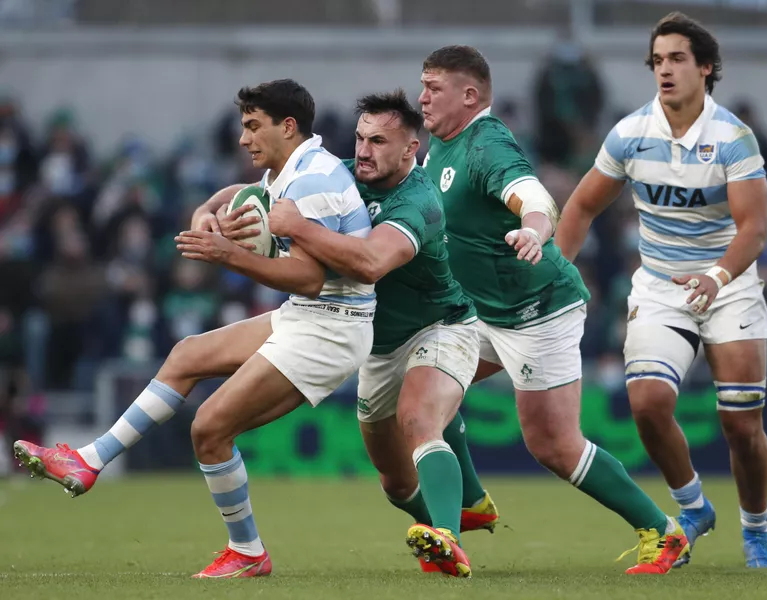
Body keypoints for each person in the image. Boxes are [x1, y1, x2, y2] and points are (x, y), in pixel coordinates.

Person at [14, 79, 377, 578]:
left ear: (288, 127)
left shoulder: (311, 181)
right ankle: (88, 460)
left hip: (331, 328)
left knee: (209, 429)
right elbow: (240, 193)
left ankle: (248, 553)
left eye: (253, 127)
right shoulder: (292, 168)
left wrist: (228, 255)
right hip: (311, 317)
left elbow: (311, 279)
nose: (244, 138)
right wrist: (207, 210)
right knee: (186, 354)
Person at [418, 44, 688, 574]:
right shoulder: (440, 145)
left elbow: (534, 196)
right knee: (424, 388)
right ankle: (464, 510)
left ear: (469, 95)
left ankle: (663, 532)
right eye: (422, 84)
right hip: (482, 313)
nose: (421, 96)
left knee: (554, 446)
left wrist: (535, 230)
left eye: (433, 86)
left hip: (537, 311)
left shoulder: (487, 143)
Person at [555, 12, 767, 569]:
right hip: (660, 287)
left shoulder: (733, 137)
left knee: (740, 423)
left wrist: (717, 277)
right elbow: (581, 205)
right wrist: (556, 271)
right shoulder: (631, 133)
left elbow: (753, 228)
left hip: (728, 285)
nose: (665, 70)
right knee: (649, 403)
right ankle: (694, 507)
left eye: (677, 58)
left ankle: (756, 532)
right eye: (657, 60)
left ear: (706, 67)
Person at [268, 90, 494, 578]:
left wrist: (299, 228)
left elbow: (370, 264)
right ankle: (448, 518)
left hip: (442, 327)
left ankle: (449, 540)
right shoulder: (344, 174)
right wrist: (215, 206)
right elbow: (259, 187)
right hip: (379, 346)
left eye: (378, 141)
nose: (364, 150)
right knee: (394, 481)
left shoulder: (421, 201)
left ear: (410, 149)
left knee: (419, 420)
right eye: (359, 137)